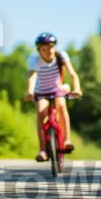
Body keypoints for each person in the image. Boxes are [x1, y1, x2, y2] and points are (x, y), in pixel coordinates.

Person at [24, 32, 82, 162]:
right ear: (39, 51)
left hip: (57, 89)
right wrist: (29, 92)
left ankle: (67, 140)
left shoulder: (61, 56)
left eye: (50, 48)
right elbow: (32, 77)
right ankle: (43, 149)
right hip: (41, 91)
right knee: (40, 112)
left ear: (54, 47)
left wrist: (77, 88)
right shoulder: (35, 60)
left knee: (61, 105)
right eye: (43, 49)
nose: (47, 51)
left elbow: (73, 74)